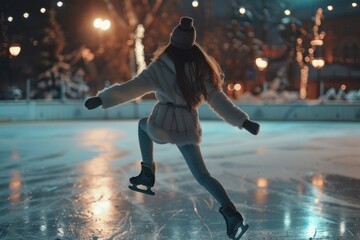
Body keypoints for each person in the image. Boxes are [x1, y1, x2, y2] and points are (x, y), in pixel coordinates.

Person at [85, 16, 260, 240]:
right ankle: (231, 212)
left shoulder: (161, 66)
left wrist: (102, 99)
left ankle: (147, 171)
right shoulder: (201, 67)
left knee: (142, 125)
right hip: (187, 124)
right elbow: (218, 100)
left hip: (163, 124)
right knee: (203, 176)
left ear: (172, 41)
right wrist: (242, 121)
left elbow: (133, 88)